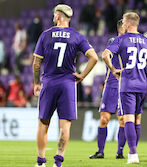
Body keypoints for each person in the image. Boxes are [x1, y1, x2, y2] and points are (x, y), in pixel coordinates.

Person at [33, 4, 98, 167]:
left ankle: (41, 162)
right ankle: (58, 161)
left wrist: (36, 83)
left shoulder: (46, 35)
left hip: (49, 81)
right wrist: (82, 75)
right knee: (65, 124)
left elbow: (36, 63)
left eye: (55, 15)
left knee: (43, 123)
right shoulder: (77, 36)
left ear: (58, 16)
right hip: (68, 84)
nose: (53, 17)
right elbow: (94, 57)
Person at [101, 12, 147, 164]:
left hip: (127, 84)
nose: (122, 24)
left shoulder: (121, 39)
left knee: (128, 118)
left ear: (128, 24)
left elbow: (105, 55)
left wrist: (113, 69)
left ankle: (133, 154)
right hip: (142, 85)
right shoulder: (146, 41)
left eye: (123, 21)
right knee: (137, 119)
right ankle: (134, 150)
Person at [89, 19, 128, 160]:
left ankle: (120, 152)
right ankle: (100, 151)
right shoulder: (113, 41)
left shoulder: (132, 43)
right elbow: (107, 55)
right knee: (104, 119)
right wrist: (113, 69)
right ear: (120, 28)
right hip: (111, 84)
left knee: (122, 120)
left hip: (125, 85)